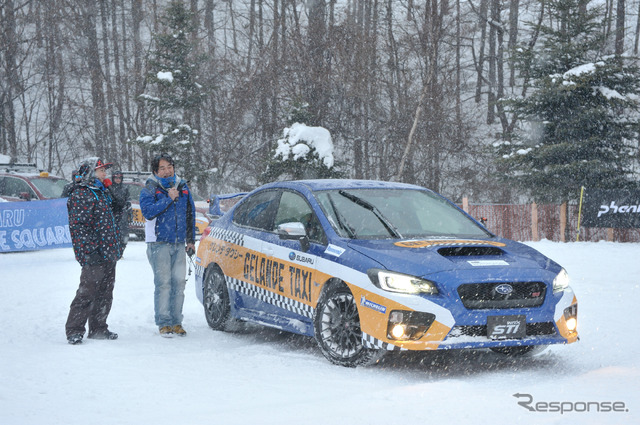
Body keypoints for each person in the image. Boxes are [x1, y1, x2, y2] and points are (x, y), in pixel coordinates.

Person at [65, 157, 123, 344]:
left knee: (105, 292)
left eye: (104, 170)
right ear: (90, 172)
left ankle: (99, 327)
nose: (104, 173)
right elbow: (79, 226)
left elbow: (113, 220)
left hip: (108, 252)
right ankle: (74, 330)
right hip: (94, 253)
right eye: (100, 170)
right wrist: (89, 250)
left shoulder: (102, 191)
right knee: (87, 292)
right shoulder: (82, 193)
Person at [139, 153, 196, 337]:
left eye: (169, 166)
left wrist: (190, 240)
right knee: (163, 284)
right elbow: (148, 212)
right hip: (159, 243)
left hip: (179, 243)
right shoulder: (150, 188)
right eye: (162, 168)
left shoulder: (182, 187)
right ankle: (164, 322)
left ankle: (176, 321)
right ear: (155, 171)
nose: (167, 171)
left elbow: (190, 214)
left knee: (179, 283)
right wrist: (168, 198)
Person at [109, 170, 131, 256]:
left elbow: (128, 200)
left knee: (124, 235)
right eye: (116, 178)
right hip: (113, 214)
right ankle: (114, 251)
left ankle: (121, 250)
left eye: (119, 178)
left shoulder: (125, 188)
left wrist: (129, 213)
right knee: (113, 234)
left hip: (123, 215)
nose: (118, 179)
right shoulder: (110, 188)